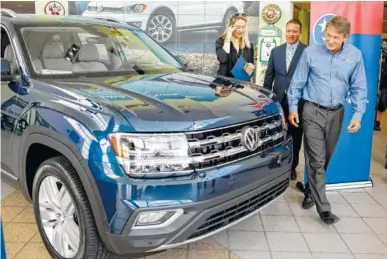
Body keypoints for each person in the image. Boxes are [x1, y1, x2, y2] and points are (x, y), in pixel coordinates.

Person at [287, 16, 367, 225]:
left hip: (336, 114)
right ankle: (324, 209)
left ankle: (311, 193)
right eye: (327, 35)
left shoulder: (354, 55)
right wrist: (293, 108)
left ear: (345, 37)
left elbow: (359, 87)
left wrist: (358, 114)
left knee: (325, 157)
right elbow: (297, 83)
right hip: (312, 111)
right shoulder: (310, 52)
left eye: (335, 37)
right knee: (316, 159)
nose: (329, 40)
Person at [263, 19, 307, 181]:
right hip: (278, 101)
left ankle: (292, 167)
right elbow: (269, 77)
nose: (291, 34)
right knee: (276, 135)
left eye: (294, 31)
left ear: (299, 32)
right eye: (289, 31)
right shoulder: (276, 51)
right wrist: (266, 100)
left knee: (295, 136)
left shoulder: (307, 51)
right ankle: (276, 164)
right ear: (285, 31)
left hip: (298, 103)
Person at [216, 13, 255, 78]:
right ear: (230, 27)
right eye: (238, 27)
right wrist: (228, 37)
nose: (241, 30)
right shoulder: (220, 42)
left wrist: (251, 67)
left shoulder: (248, 45)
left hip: (241, 84)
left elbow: (251, 67)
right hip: (224, 84)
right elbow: (223, 59)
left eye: (243, 27)